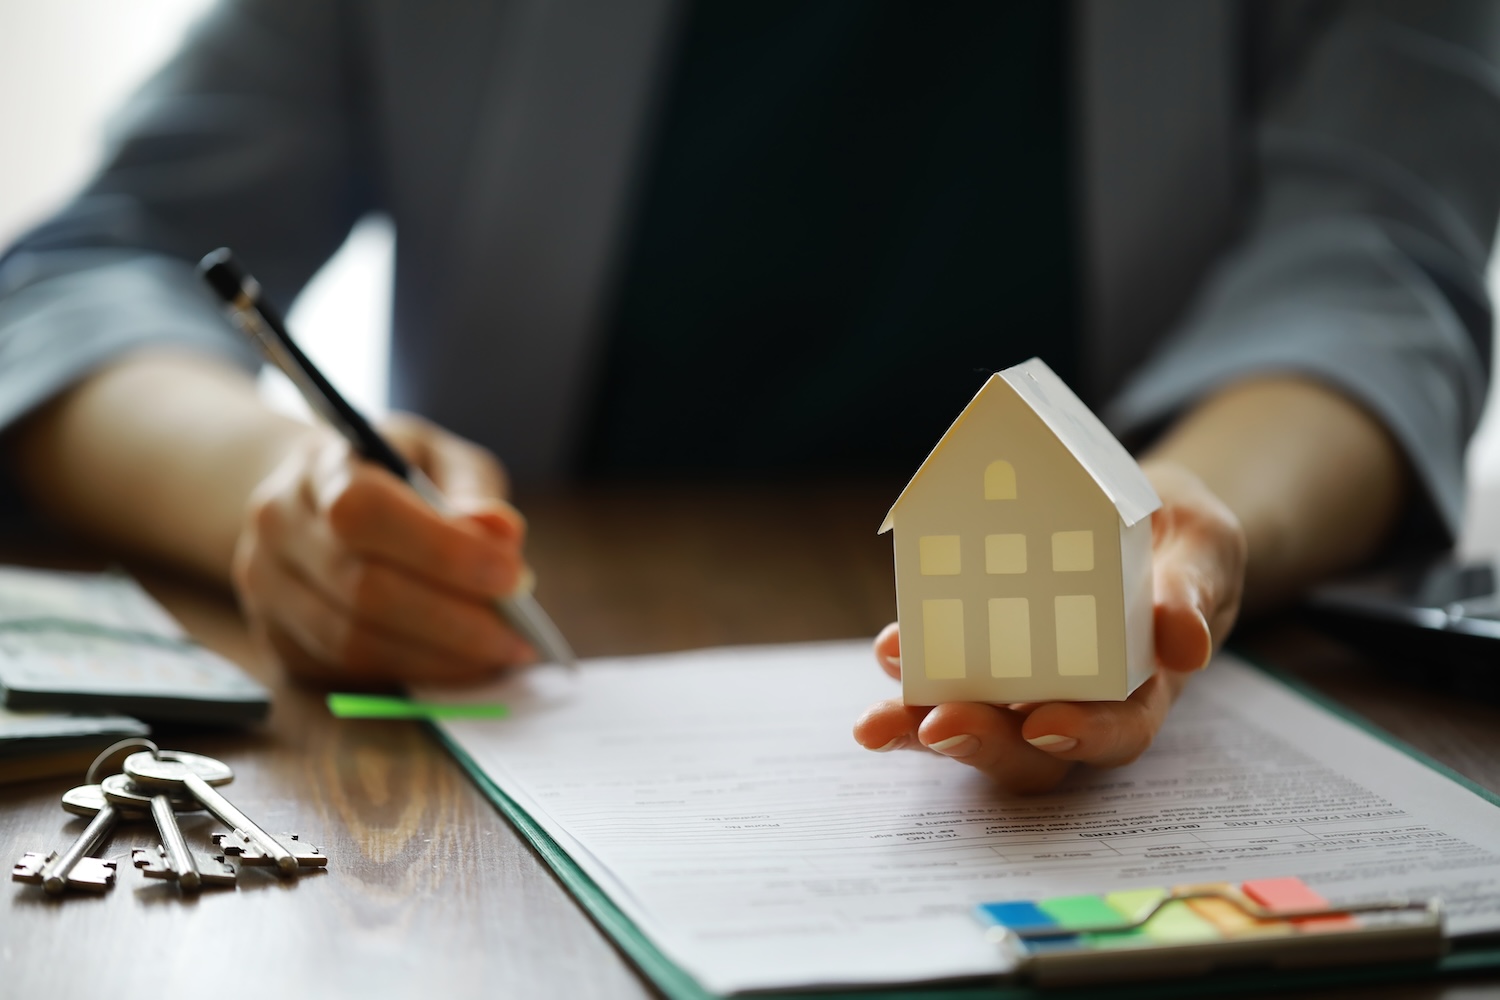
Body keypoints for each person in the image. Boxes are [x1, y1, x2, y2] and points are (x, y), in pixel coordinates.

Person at [0, 1, 1495, 794]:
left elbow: (1376, 267)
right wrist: (274, 497)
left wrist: (1194, 521)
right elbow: (76, 272)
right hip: (514, 712)